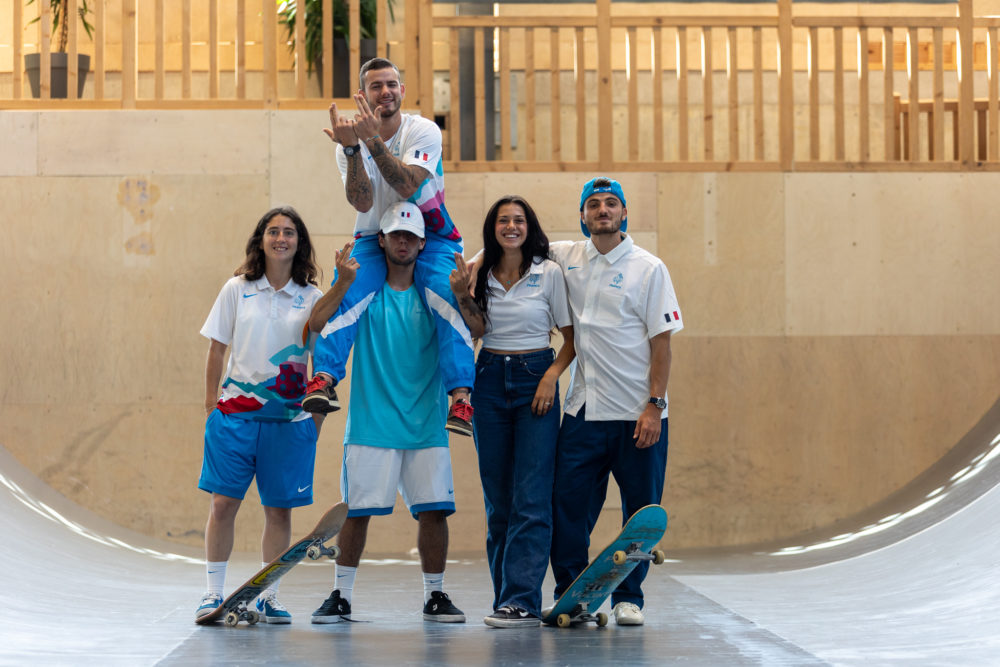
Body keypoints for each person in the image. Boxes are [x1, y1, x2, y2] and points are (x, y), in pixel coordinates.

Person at [309, 201, 466, 624]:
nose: (403, 241)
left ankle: (435, 596)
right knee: (355, 513)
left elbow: (470, 329)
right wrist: (342, 282)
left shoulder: (435, 297)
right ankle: (340, 595)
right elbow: (323, 323)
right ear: (382, 239)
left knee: (434, 511)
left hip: (427, 425)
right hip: (370, 425)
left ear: (421, 243)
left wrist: (466, 293)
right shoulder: (366, 294)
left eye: (410, 236)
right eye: (396, 234)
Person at [302, 57, 475, 437]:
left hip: (431, 234)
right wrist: (351, 151)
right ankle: (324, 380)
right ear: (362, 95)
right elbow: (362, 202)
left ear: (402, 90)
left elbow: (408, 185)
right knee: (346, 289)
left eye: (392, 84)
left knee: (447, 295)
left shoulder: (423, 130)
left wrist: (371, 141)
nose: (386, 92)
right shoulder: (346, 143)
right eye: (377, 86)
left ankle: (461, 398)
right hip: (373, 234)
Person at [547, 177, 683, 626]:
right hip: (583, 413)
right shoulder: (566, 258)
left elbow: (662, 344)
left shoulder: (650, 267)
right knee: (566, 510)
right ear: (582, 216)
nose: (602, 210)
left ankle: (630, 598)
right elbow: (512, 242)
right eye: (593, 204)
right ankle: (574, 595)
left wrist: (654, 406)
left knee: (640, 515)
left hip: (637, 415)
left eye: (611, 204)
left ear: (625, 213)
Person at [449, 196, 574, 628]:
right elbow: (475, 329)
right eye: (503, 220)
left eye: (518, 220)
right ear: (493, 228)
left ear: (529, 226)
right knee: (499, 501)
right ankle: (507, 598)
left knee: (532, 497)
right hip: (488, 380)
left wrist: (549, 377)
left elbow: (572, 340)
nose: (511, 226)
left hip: (535, 376)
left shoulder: (549, 273)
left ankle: (522, 599)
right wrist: (461, 290)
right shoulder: (479, 273)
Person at [195, 206, 324, 623]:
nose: (281, 238)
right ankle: (212, 593)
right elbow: (217, 348)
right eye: (273, 231)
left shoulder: (313, 297)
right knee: (222, 505)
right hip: (235, 417)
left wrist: (315, 420)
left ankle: (271, 595)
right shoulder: (237, 288)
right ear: (261, 239)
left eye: (289, 232)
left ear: (299, 242)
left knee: (279, 512)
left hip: (288, 422)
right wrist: (211, 406)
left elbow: (322, 363)